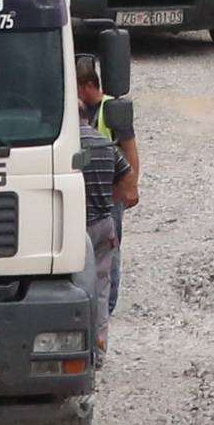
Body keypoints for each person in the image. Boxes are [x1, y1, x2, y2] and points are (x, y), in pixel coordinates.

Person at [77, 53, 140, 313]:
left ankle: (108, 304)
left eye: (77, 88)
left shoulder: (112, 110)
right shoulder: (78, 112)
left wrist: (130, 188)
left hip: (110, 189)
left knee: (110, 250)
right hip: (90, 188)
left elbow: (131, 151)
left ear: (88, 86)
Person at [76, 112, 134, 365]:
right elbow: (128, 177)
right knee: (101, 287)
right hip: (103, 223)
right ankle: (99, 348)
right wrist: (111, 201)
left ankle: (78, 344)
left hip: (76, 227)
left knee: (75, 287)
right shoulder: (103, 143)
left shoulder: (68, 144)